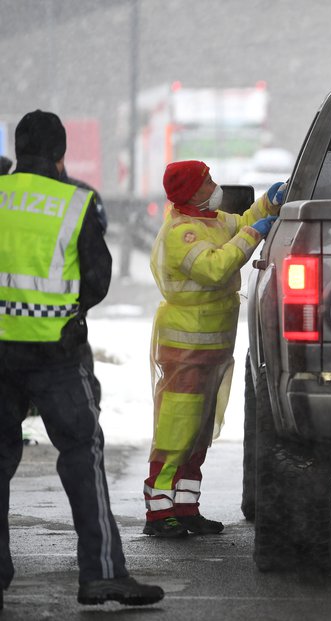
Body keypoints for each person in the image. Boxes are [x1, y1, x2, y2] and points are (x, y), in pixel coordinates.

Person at [0, 110, 164, 608]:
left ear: (18, 146)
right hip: (56, 354)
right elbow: (96, 279)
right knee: (81, 457)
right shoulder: (77, 201)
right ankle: (101, 574)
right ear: (60, 153)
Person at [144, 159, 283, 538]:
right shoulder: (181, 232)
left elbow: (240, 224)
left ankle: (186, 507)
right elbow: (216, 266)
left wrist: (268, 204)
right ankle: (159, 511)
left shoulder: (212, 219)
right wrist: (255, 233)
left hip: (213, 348)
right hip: (184, 348)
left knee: (201, 431)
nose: (215, 185)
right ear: (191, 191)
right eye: (207, 182)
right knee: (177, 429)